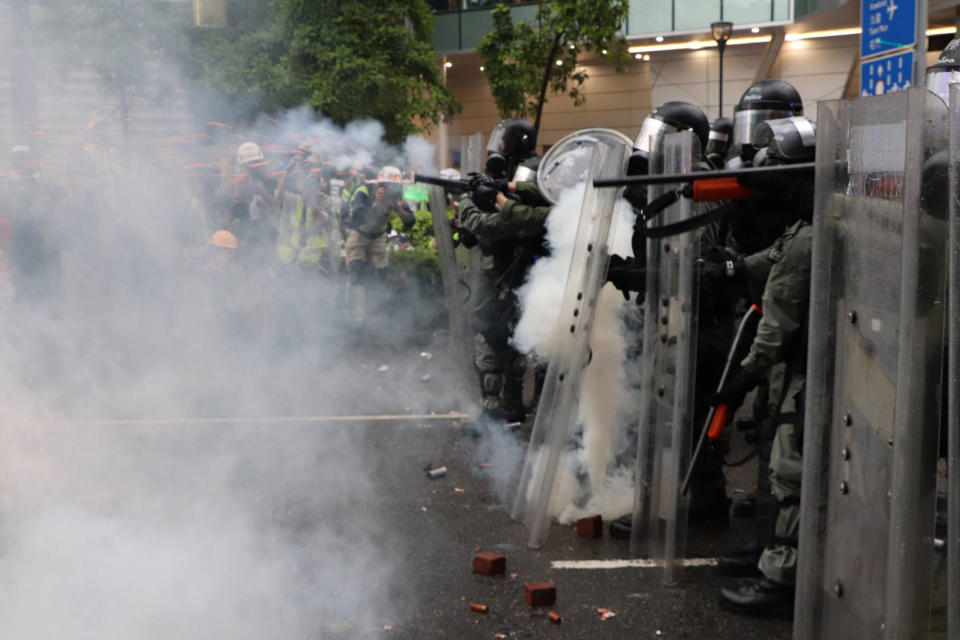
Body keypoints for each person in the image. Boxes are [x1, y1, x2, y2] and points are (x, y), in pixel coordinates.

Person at [713, 167, 814, 616]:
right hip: (797, 367)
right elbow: (772, 257)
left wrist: (744, 376)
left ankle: (783, 581)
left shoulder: (808, 236)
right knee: (776, 458)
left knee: (790, 469)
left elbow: (775, 327)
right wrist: (730, 267)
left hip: (805, 368)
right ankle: (769, 552)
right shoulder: (803, 230)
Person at [458, 170, 551, 423]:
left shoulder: (522, 217)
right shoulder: (540, 211)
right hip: (523, 290)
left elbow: (484, 225)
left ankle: (496, 413)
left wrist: (465, 199)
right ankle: (516, 406)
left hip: (507, 290)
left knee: (492, 349)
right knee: (517, 348)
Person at [343, 165, 416, 325]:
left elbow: (410, 221)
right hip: (358, 232)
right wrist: (376, 203)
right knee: (357, 271)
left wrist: (398, 208)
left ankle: (376, 314)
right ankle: (357, 316)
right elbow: (359, 217)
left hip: (378, 235)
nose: (391, 189)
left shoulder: (397, 196)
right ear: (379, 183)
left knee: (380, 273)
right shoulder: (363, 191)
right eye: (387, 186)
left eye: (394, 186)